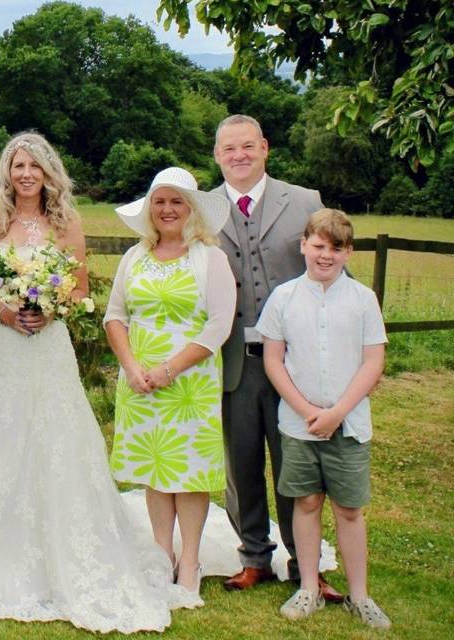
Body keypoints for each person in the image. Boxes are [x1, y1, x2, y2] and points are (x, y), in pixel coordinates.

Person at [0, 133, 197, 633]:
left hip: (49, 347)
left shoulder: (67, 221)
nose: (25, 173)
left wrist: (49, 308)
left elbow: (76, 287)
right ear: (7, 172)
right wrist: (8, 313)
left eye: (34, 165)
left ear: (49, 171)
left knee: (58, 441)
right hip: (4, 346)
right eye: (17, 165)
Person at [212, 115, 341, 600]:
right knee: (240, 462)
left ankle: (304, 560)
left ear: (264, 148)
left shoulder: (304, 201)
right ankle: (253, 557)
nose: (239, 155)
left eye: (247, 146)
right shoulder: (203, 210)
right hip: (233, 359)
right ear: (218, 155)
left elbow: (328, 265)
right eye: (229, 149)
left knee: (296, 462)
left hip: (294, 363)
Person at [105, 166, 236, 599]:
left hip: (189, 382)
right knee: (156, 470)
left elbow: (219, 326)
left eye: (176, 201)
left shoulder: (209, 258)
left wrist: (169, 369)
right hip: (140, 381)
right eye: (159, 201)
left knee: (189, 472)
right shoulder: (135, 257)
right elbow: (115, 316)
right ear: (149, 209)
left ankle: (191, 560)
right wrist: (130, 366)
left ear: (191, 209)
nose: (167, 209)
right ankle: (162, 553)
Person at [257, 209, 390, 628]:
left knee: (349, 509)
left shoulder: (362, 299)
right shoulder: (284, 298)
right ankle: (309, 587)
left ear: (348, 253)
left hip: (348, 423)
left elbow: (373, 362)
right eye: (318, 246)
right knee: (307, 501)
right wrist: (308, 410)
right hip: (299, 424)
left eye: (336, 248)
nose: (326, 255)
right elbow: (274, 361)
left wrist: (336, 412)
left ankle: (360, 595)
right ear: (304, 246)